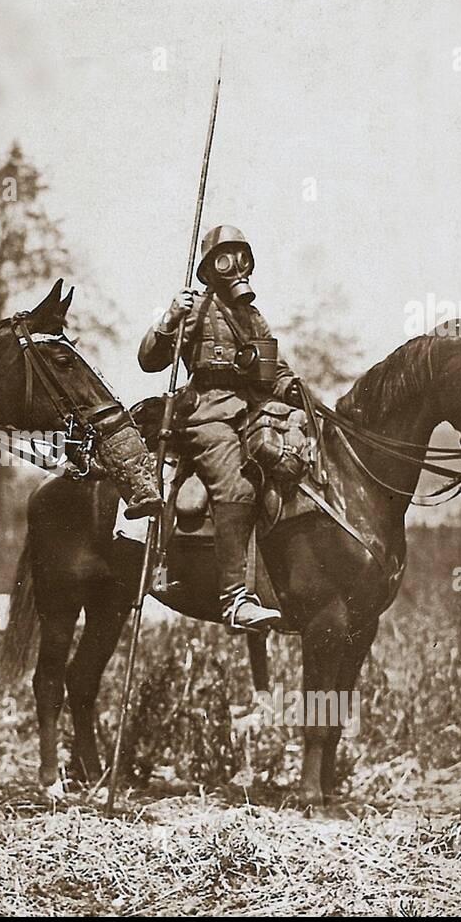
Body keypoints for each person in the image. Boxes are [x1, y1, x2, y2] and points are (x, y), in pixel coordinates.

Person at [138, 225, 305, 631]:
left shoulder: (252, 317)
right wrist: (169, 319)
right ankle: (235, 599)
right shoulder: (194, 309)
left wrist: (294, 388)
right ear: (211, 267)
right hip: (206, 414)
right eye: (227, 259)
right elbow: (149, 359)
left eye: (243, 259)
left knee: (295, 459)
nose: (238, 268)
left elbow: (270, 372)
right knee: (238, 485)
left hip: (250, 410)